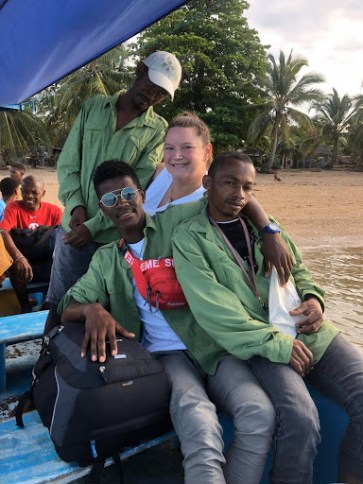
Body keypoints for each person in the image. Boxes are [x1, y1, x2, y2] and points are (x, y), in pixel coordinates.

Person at [59, 160, 276, 484]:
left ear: (142, 194)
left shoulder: (177, 221)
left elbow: (229, 196)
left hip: (213, 346)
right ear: (102, 210)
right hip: (165, 357)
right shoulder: (106, 258)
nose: (120, 203)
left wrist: (269, 230)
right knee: (201, 426)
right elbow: (68, 306)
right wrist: (93, 309)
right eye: (109, 199)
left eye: (127, 193)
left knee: (259, 413)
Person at [171, 151, 363, 484]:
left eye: (247, 187)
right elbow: (216, 313)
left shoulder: (266, 226)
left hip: (307, 329)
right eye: (230, 183)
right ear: (208, 183)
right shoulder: (189, 238)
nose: (239, 195)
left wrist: (315, 300)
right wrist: (278, 345)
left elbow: (299, 270)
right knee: (301, 418)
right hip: (260, 340)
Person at [45, 51, 182, 329]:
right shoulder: (93, 106)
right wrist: (76, 208)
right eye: (150, 84)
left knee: (110, 310)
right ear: (139, 70)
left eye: (160, 94)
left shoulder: (157, 129)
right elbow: (69, 162)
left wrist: (93, 226)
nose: (152, 95)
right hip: (73, 231)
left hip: (113, 238)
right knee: (61, 306)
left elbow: (135, 188)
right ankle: (46, 367)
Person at [0, 175, 62, 312]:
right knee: (12, 263)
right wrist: (19, 258)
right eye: (25, 191)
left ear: (43, 193)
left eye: (34, 192)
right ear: (20, 191)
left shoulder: (54, 211)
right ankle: (24, 306)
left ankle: (51, 303)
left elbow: (63, 239)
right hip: (23, 266)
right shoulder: (13, 207)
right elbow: (3, 231)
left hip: (47, 264)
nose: (29, 196)